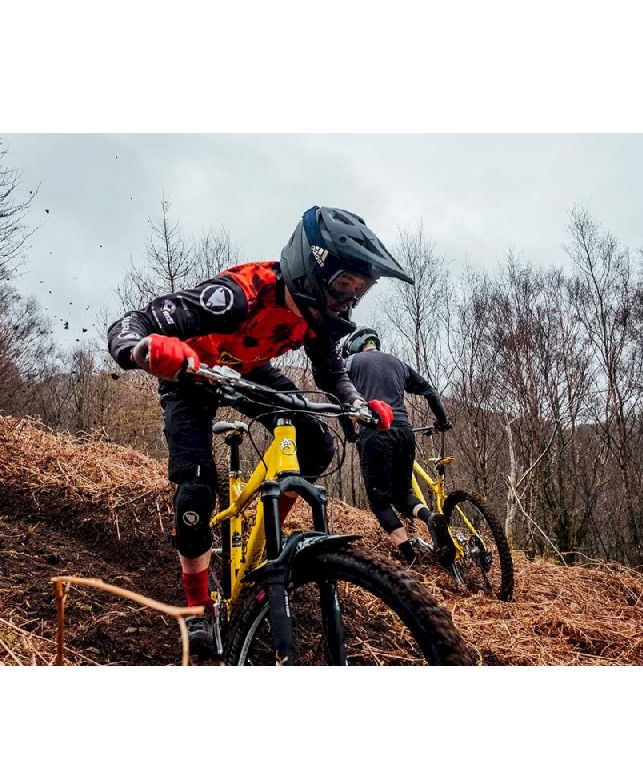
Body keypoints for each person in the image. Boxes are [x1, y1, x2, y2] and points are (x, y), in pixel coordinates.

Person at [108, 206, 413, 653]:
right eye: (343, 286)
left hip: (248, 370)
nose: (348, 301)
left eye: (358, 292)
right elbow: (132, 323)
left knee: (317, 446)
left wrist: (356, 404)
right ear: (311, 270)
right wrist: (142, 348)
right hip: (189, 375)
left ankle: (268, 537)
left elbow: (331, 371)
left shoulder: (316, 317)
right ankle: (197, 608)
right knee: (195, 493)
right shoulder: (237, 295)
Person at [342, 326, 456, 568]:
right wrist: (442, 421)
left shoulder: (351, 362)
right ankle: (430, 518)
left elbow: (343, 400)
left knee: (380, 502)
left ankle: (412, 561)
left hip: (375, 432)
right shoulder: (398, 363)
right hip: (404, 431)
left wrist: (351, 434)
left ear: (354, 346)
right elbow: (430, 392)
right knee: (403, 495)